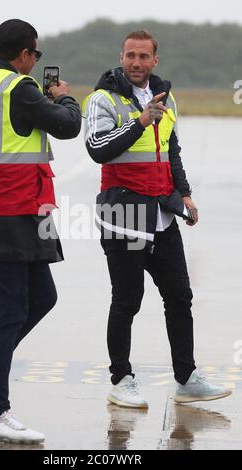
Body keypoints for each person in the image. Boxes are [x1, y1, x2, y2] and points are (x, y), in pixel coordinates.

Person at [84, 30, 231, 408]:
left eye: (143, 56)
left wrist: (185, 193)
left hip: (163, 213)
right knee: (128, 299)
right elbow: (97, 150)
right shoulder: (103, 99)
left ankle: (186, 378)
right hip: (124, 215)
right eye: (130, 55)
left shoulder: (167, 97)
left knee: (180, 296)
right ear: (121, 57)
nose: (136, 63)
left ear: (155, 61)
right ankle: (122, 380)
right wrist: (140, 121)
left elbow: (172, 150)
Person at [0, 19, 81, 444]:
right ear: (24, 55)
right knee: (7, 312)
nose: (35, 62)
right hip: (7, 214)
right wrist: (66, 99)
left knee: (43, 297)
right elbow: (67, 126)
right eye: (35, 55)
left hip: (10, 212)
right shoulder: (17, 89)